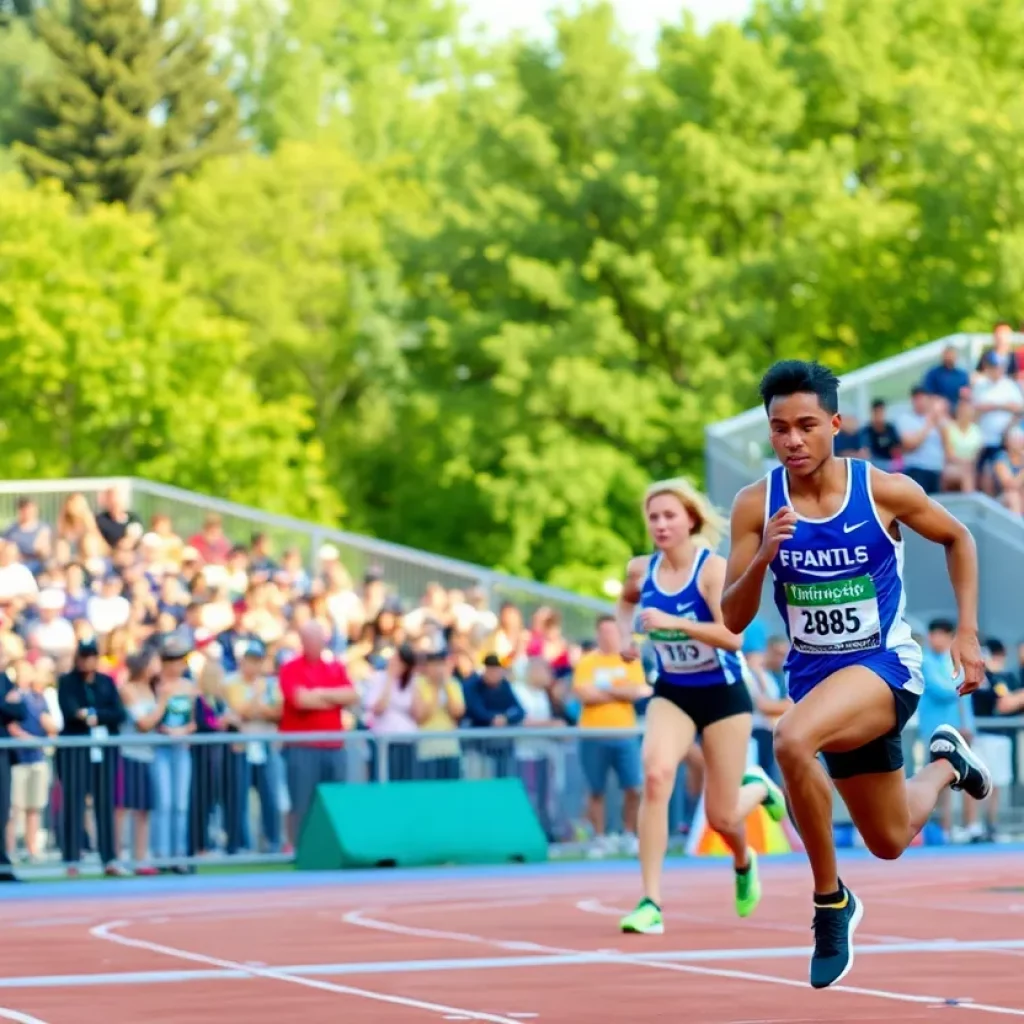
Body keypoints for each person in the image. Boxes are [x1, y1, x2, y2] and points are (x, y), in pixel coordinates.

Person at [721, 359, 991, 990]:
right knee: (891, 839)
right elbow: (733, 619)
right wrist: (764, 556)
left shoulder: (882, 491)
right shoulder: (756, 505)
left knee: (790, 740)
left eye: (807, 425)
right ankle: (949, 762)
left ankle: (829, 902)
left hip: (886, 666)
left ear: (836, 424)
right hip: (820, 686)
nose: (793, 440)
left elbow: (959, 539)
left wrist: (968, 630)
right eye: (780, 428)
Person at [616, 478, 787, 936]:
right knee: (655, 776)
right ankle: (650, 901)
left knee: (722, 816)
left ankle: (749, 833)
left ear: (691, 519)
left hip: (723, 696)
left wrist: (674, 622)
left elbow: (732, 636)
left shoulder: (711, 570)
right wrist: (627, 639)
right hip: (673, 691)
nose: (660, 524)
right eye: (653, 517)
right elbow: (625, 602)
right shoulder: (640, 570)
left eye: (670, 515)